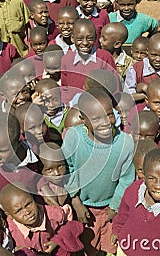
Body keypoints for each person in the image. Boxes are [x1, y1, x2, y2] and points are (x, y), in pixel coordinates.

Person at [62, 89, 135, 255]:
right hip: (83, 207)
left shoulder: (124, 142)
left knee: (110, 244)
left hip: (111, 206)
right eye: (96, 119)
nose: (105, 123)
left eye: (109, 114)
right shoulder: (74, 138)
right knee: (90, 246)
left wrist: (115, 206)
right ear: (83, 119)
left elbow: (126, 179)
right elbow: (68, 169)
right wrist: (75, 201)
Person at [0, 111, 54, 204]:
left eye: (2, 151)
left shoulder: (31, 154)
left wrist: (44, 187)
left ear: (18, 144)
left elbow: (37, 176)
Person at [0, 183, 84, 255]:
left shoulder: (53, 214)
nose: (27, 212)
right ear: (10, 215)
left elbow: (72, 226)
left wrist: (57, 240)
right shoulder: (10, 229)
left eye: (28, 204)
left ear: (33, 198)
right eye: (19, 211)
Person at [60, 18, 116, 93]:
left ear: (96, 37)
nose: (85, 43)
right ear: (73, 38)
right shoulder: (67, 59)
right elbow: (65, 88)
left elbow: (114, 87)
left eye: (90, 38)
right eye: (80, 39)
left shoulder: (105, 58)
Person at [123, 33, 160, 103]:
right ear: (147, 51)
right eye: (154, 55)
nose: (158, 59)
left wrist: (145, 89)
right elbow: (127, 96)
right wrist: (143, 95)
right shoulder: (136, 69)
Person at [33, 79, 68, 145]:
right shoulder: (38, 117)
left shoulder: (70, 114)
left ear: (60, 95)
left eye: (56, 99)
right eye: (46, 101)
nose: (51, 105)